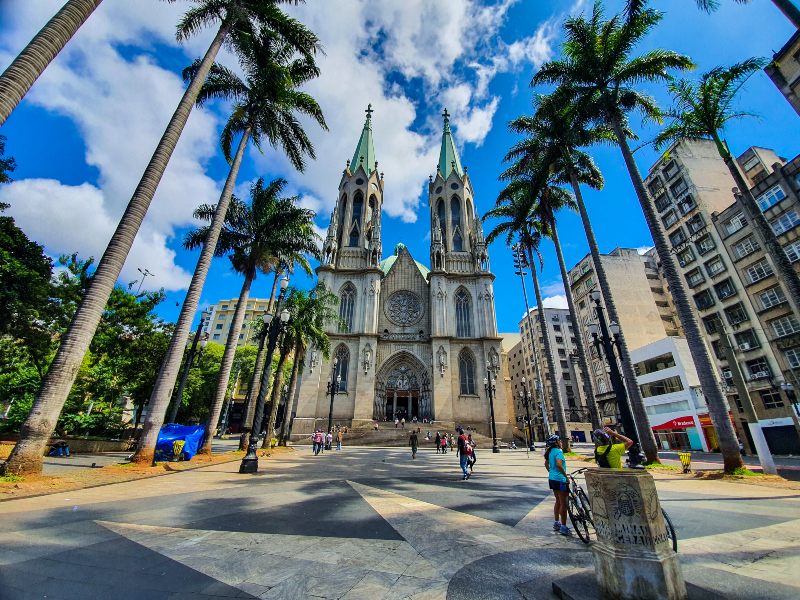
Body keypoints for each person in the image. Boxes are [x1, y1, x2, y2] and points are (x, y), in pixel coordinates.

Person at [545, 434, 571, 536]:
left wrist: (551, 472)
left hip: (552, 479)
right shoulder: (558, 452)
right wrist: (566, 476)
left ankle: (556, 522)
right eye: (559, 440)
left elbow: (546, 464)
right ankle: (563, 527)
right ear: (556, 443)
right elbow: (559, 464)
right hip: (560, 480)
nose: (560, 442)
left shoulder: (549, 452)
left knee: (557, 501)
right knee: (563, 504)